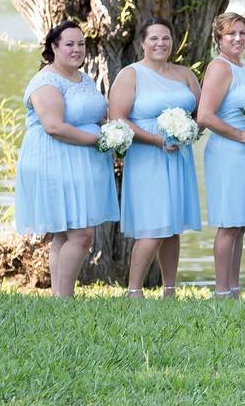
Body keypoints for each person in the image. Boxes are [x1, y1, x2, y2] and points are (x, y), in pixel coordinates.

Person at [15, 21, 119, 297]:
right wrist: (100, 140)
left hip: (82, 163)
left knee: (65, 233)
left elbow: (93, 115)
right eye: (69, 44)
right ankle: (65, 297)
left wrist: (113, 131)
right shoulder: (46, 81)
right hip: (54, 161)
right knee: (82, 234)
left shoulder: (83, 78)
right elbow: (54, 126)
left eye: (81, 44)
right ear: (54, 47)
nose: (76, 49)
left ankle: (59, 299)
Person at [110, 17, 201, 298]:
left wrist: (188, 132)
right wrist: (157, 140)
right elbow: (118, 119)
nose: (161, 43)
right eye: (154, 38)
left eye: (166, 38)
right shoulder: (131, 74)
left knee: (172, 226)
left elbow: (201, 113)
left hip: (179, 156)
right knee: (153, 224)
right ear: (142, 43)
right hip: (147, 156)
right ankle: (134, 290)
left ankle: (169, 290)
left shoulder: (185, 74)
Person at [197, 13, 245, 298]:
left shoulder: (242, 68)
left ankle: (235, 288)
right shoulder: (220, 68)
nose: (238, 38)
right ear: (218, 39)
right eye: (230, 34)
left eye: (242, 33)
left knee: (240, 224)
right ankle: (222, 290)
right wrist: (239, 135)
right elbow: (204, 115)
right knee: (228, 224)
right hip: (229, 154)